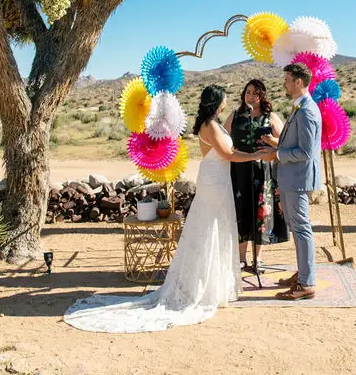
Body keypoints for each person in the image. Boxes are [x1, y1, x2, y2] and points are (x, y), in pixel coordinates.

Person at [63, 85, 264, 333]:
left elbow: (230, 151)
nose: (226, 101)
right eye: (223, 98)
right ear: (216, 102)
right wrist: (256, 156)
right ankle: (202, 287)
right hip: (214, 180)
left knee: (216, 228)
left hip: (219, 179)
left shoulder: (214, 123)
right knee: (209, 228)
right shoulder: (210, 126)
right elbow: (228, 154)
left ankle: (213, 284)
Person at [255, 62, 323, 300]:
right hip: (292, 177)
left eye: (287, 79)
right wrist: (276, 143)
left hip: (297, 178)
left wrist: (277, 154)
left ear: (298, 81)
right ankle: (304, 274)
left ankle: (306, 283)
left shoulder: (306, 111)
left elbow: (305, 152)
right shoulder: (300, 107)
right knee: (298, 227)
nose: (284, 83)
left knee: (302, 229)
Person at [224, 79, 287, 272]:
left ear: (262, 96)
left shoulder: (271, 117)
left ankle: (258, 258)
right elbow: (224, 139)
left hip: (263, 170)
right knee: (241, 211)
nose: (250, 97)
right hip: (239, 170)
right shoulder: (235, 115)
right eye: (248, 92)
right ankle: (241, 258)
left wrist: (271, 140)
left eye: (255, 93)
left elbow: (285, 142)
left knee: (262, 213)